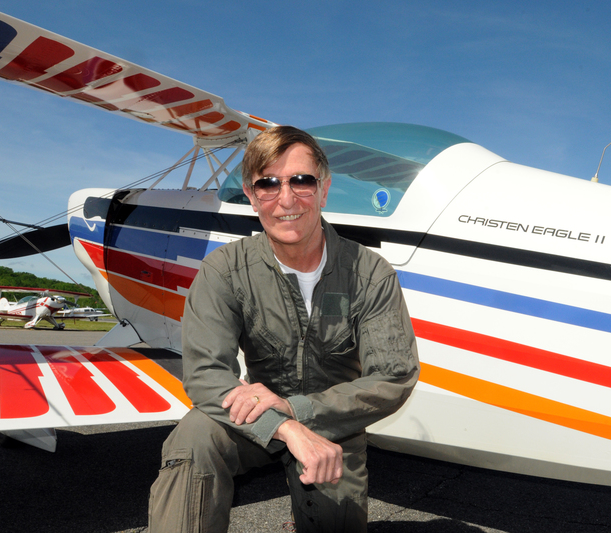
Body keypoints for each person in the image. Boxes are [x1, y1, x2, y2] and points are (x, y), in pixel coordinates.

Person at [147, 125, 420, 532]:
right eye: (268, 184)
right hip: (254, 419)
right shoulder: (224, 269)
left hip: (334, 426)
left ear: (324, 189)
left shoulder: (370, 273)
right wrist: (284, 426)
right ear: (251, 194)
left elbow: (393, 376)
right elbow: (206, 373)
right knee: (195, 438)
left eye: (301, 181)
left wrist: (298, 411)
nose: (286, 199)